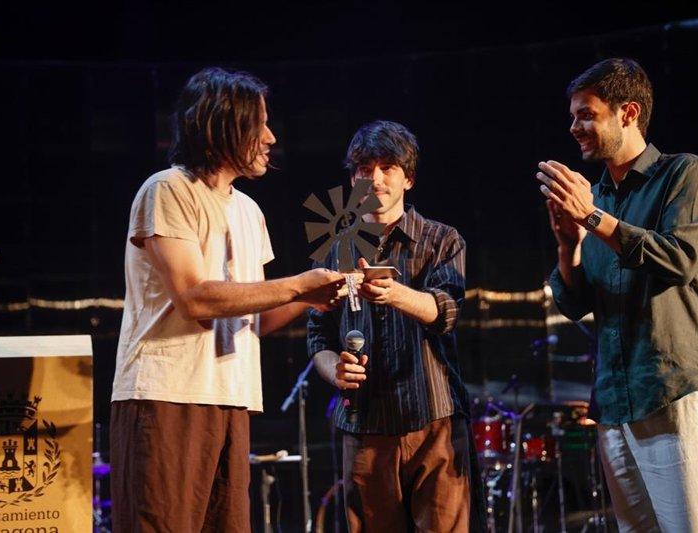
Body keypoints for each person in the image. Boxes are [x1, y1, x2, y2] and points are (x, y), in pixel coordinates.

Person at [109, 67, 347, 532]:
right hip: (166, 396)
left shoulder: (249, 210)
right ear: (223, 125)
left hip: (229, 400)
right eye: (260, 124)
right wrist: (299, 283)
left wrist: (316, 296)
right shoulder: (168, 190)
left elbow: (253, 319)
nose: (271, 137)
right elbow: (195, 299)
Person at [539, 58, 698, 531]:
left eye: (586, 114)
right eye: (573, 116)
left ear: (628, 113)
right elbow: (574, 303)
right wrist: (568, 246)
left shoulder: (684, 174)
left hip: (675, 393)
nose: (574, 127)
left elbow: (678, 259)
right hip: (615, 408)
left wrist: (592, 220)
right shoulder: (598, 199)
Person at [308, 120, 484, 532]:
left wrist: (393, 293)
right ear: (353, 178)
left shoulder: (443, 239)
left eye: (388, 167)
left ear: (409, 178)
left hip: (433, 422)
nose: (376, 179)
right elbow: (317, 338)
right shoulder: (335, 249)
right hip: (366, 427)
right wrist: (333, 367)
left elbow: (447, 311)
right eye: (365, 169)